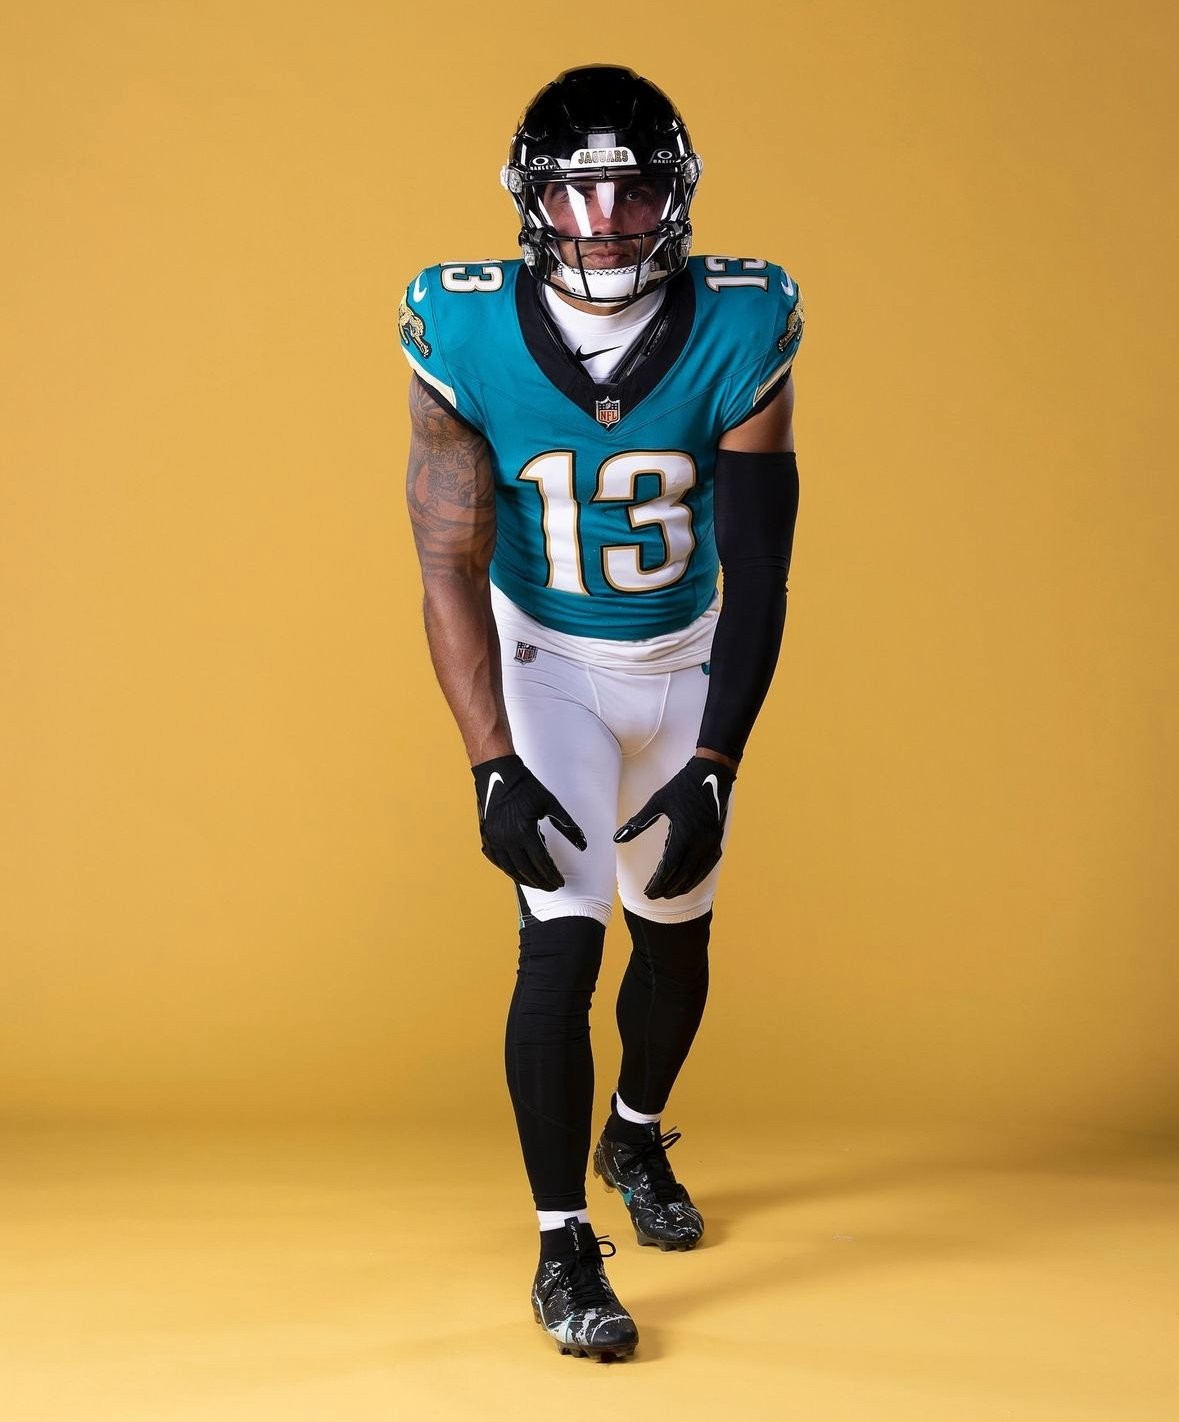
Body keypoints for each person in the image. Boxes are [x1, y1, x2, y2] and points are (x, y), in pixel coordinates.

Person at [400, 64, 803, 1361]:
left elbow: (761, 566)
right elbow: (447, 560)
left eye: (633, 191)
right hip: (548, 662)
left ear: (676, 196)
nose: (607, 221)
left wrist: (719, 755)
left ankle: (633, 1134)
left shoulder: (745, 318)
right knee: (561, 944)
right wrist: (490, 761)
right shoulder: (460, 324)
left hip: (687, 659)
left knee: (675, 934)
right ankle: (563, 1245)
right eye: (578, 195)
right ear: (530, 202)